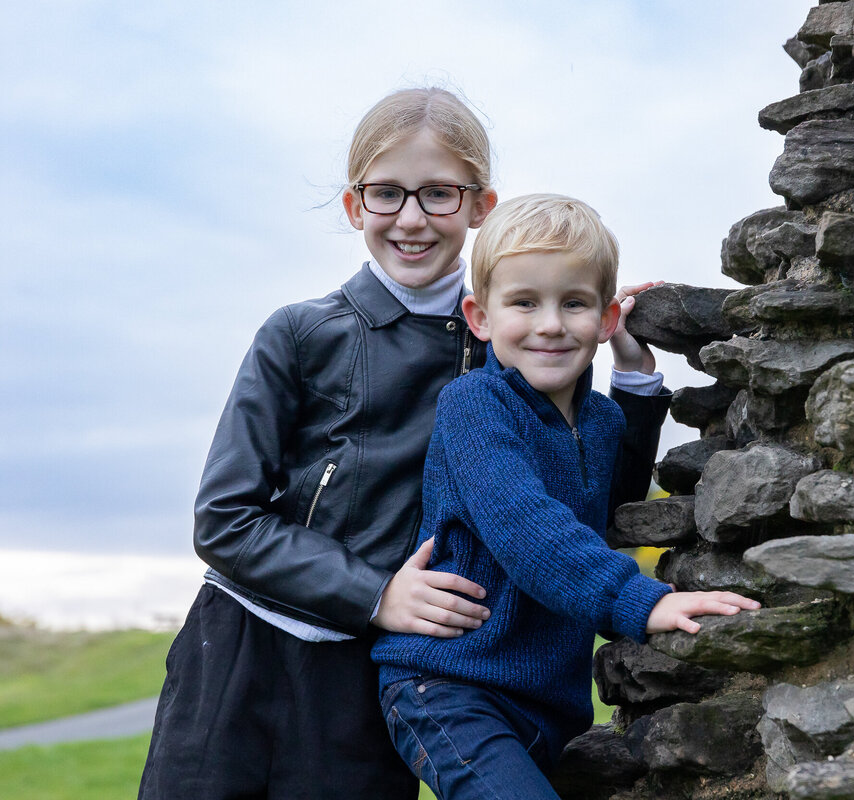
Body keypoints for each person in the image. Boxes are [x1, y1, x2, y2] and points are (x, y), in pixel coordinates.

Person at [137, 87, 501, 800]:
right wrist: (375, 594)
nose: (412, 219)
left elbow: (579, 482)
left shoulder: (503, 351)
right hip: (237, 654)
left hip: (372, 683)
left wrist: (639, 382)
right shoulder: (297, 333)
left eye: (439, 195)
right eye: (387, 194)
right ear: (354, 206)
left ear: (481, 206)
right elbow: (224, 519)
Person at [371, 194, 761, 800]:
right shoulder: (474, 406)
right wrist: (639, 601)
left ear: (605, 321)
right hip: (450, 688)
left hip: (547, 706)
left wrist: (633, 377)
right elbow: (527, 528)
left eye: (573, 304)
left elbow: (619, 505)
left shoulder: (601, 420)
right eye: (524, 303)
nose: (550, 324)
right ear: (480, 317)